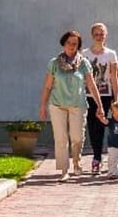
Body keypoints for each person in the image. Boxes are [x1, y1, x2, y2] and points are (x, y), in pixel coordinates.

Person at [39, 30, 106, 182]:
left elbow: (91, 85)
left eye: (74, 44)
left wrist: (100, 106)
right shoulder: (54, 63)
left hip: (78, 105)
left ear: (78, 46)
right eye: (68, 43)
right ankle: (64, 170)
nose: (71, 46)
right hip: (57, 104)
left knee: (77, 138)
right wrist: (42, 105)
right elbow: (48, 86)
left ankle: (76, 161)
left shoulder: (83, 63)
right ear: (64, 43)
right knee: (61, 138)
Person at [82, 22, 118, 175]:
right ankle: (96, 157)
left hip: (104, 94)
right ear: (92, 36)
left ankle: (97, 157)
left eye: (101, 34)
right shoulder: (84, 54)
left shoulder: (111, 54)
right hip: (88, 95)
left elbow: (113, 77)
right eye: (96, 34)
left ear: (106, 35)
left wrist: (116, 98)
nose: (99, 37)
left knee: (101, 126)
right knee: (91, 125)